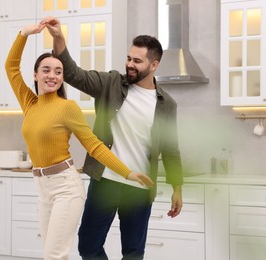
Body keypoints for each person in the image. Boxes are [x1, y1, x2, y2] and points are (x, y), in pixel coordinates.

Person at [4, 23, 154, 260]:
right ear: (35, 75)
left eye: (58, 72)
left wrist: (128, 174)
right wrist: (23, 34)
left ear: (62, 78)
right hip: (42, 187)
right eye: (46, 70)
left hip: (66, 187)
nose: (52, 76)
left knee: (54, 255)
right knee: (51, 253)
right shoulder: (29, 103)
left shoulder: (67, 108)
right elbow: (11, 67)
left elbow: (94, 145)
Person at [43, 17, 184, 259]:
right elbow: (74, 74)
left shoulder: (166, 104)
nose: (130, 64)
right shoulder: (110, 83)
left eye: (137, 61)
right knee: (87, 246)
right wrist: (58, 39)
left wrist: (177, 187)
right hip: (105, 181)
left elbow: (170, 149)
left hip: (140, 188)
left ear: (154, 65)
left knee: (133, 252)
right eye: (129, 58)